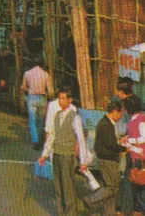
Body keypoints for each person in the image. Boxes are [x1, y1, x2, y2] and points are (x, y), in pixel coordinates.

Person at [39, 88, 92, 216]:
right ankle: (61, 212)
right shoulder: (56, 115)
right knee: (58, 187)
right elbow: (52, 135)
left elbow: (80, 139)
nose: (61, 101)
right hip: (56, 154)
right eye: (59, 99)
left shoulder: (75, 118)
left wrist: (83, 160)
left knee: (68, 187)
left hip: (68, 156)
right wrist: (45, 154)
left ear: (69, 100)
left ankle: (70, 213)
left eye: (63, 99)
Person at [86, 100, 126, 214]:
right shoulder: (107, 124)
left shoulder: (103, 123)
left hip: (104, 158)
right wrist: (123, 148)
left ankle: (109, 212)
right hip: (108, 159)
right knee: (112, 187)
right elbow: (111, 145)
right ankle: (91, 200)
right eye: (120, 114)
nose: (120, 117)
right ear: (114, 112)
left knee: (110, 189)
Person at [21, 60, 54, 150]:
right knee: (41, 120)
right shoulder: (46, 74)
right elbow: (50, 91)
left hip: (31, 98)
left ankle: (35, 141)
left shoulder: (27, 73)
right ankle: (40, 140)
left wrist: (28, 90)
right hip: (42, 98)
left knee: (32, 120)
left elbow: (23, 87)